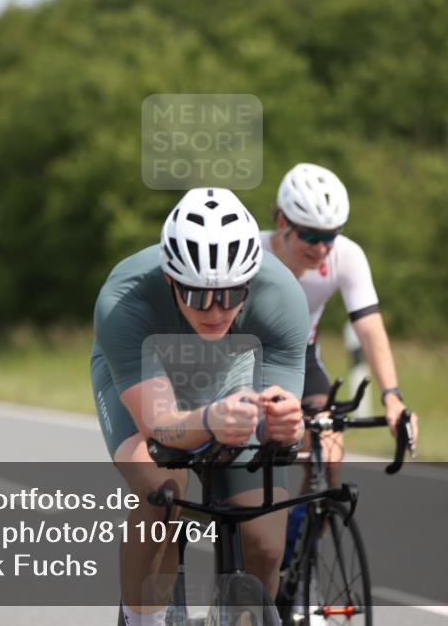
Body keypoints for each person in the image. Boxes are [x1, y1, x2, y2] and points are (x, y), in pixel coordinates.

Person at [92, 188, 310, 626]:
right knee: (162, 490)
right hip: (150, 389)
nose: (214, 310)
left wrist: (287, 424)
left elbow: (281, 413)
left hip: (229, 379)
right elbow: (160, 427)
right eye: (197, 295)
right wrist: (211, 419)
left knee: (264, 542)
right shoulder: (123, 300)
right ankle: (143, 620)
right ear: (170, 280)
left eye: (230, 295)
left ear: (250, 282)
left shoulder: (282, 295)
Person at [262, 162, 418, 489]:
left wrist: (392, 396)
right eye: (310, 235)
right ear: (282, 222)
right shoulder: (252, 252)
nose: (321, 248)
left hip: (299, 357)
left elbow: (369, 327)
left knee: (329, 451)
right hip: (245, 356)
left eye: (330, 236)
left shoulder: (346, 256)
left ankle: (308, 520)